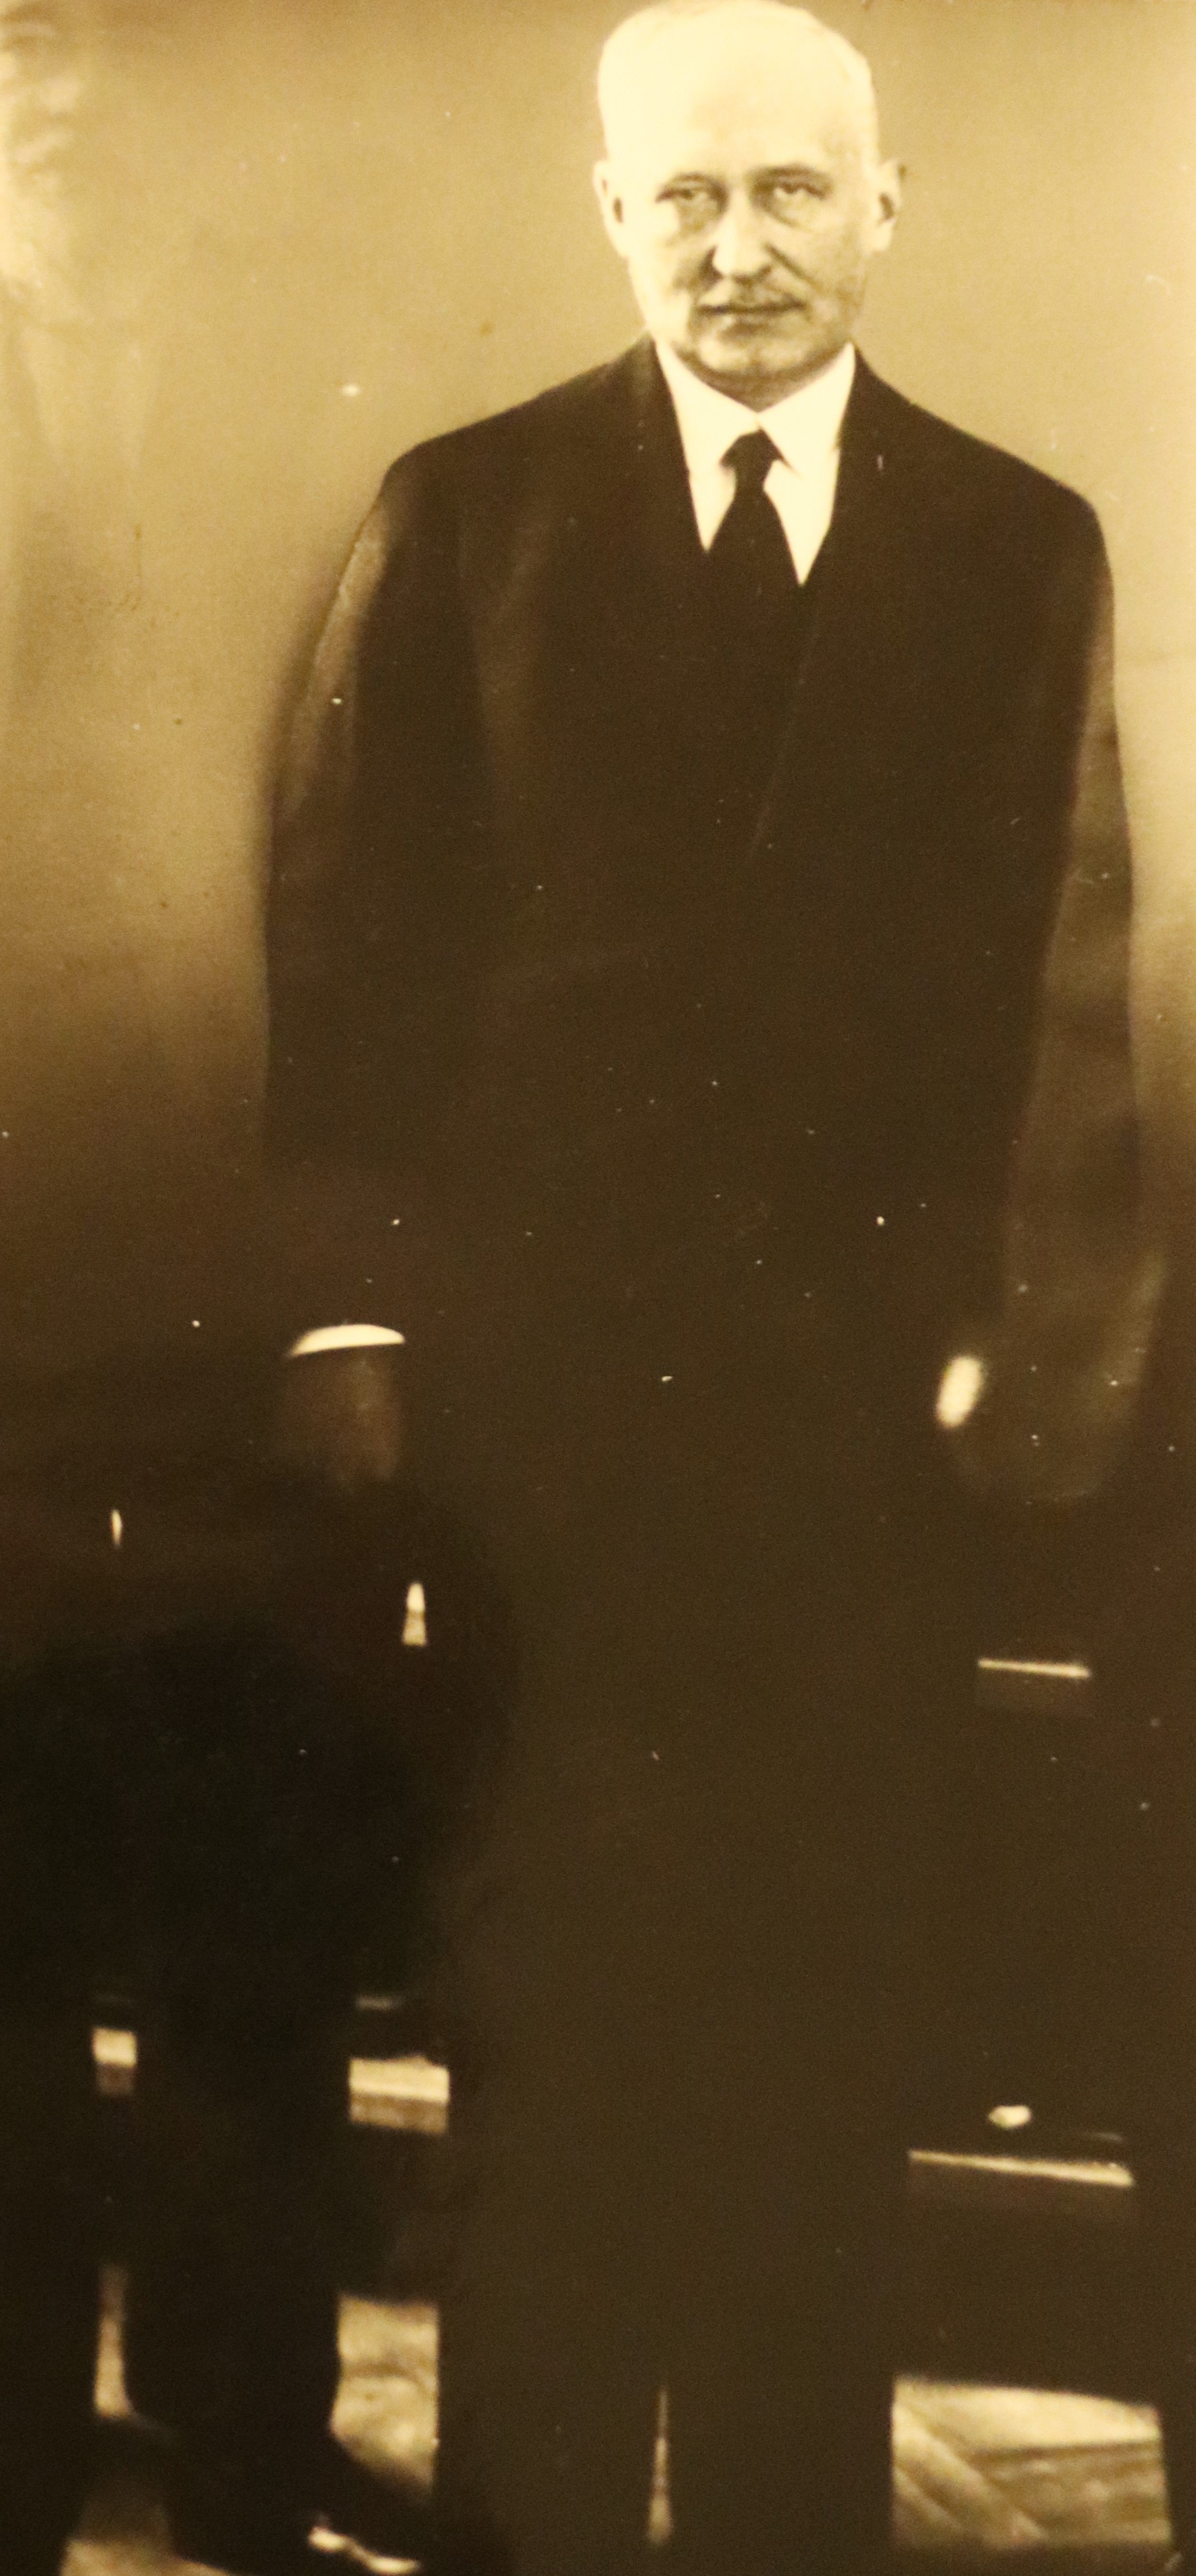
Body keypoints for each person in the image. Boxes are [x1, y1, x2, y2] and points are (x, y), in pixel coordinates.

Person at [264, 5, 1153, 2569]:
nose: (734, 247)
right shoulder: (465, 512)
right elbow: (352, 933)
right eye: (682, 195)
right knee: (546, 2020)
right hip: (537, 1427)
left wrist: (999, 1343)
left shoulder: (1016, 543)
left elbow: (1056, 969)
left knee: (814, 2026)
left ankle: (784, 2532)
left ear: (882, 210)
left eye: (784, 191)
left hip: (860, 1428)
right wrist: (359, 1327)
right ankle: (529, 2528)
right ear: (607, 213)